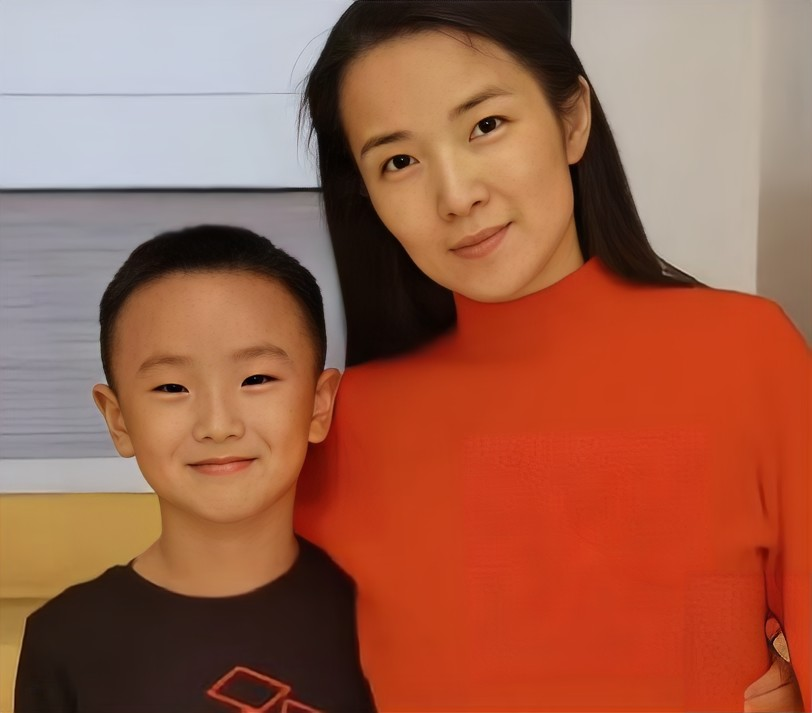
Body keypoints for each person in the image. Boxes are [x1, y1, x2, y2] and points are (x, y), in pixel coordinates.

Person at [293, 1, 811, 711]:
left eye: (486, 125)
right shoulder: (334, 429)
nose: (457, 195)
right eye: (400, 161)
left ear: (572, 120)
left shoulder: (743, 355)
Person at [14, 226, 375, 713]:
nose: (217, 425)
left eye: (256, 378)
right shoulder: (66, 638)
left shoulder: (383, 612)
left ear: (318, 404)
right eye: (171, 388)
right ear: (118, 420)